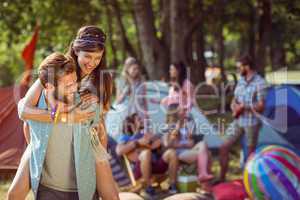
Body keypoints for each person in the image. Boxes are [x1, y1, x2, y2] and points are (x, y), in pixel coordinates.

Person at [7, 26, 119, 200]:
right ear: (76, 50)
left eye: (98, 57)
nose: (92, 62)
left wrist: (100, 157)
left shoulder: (102, 80)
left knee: (110, 194)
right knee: (15, 193)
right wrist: (67, 117)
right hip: (45, 137)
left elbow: (100, 123)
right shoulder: (57, 70)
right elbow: (23, 110)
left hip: (87, 138)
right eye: (87, 56)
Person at [219, 54, 267, 181]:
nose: (238, 70)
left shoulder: (260, 82)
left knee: (250, 156)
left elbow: (261, 106)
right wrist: (233, 105)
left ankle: (249, 183)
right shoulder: (240, 81)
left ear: (247, 66)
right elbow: (235, 99)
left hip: (252, 123)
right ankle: (221, 179)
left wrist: (244, 107)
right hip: (238, 120)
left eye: (239, 67)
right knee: (223, 146)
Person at [116, 113, 178, 198]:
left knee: (171, 152)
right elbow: (119, 151)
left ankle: (172, 186)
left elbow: (162, 149)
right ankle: (148, 188)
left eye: (142, 119)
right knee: (146, 153)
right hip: (139, 169)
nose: (142, 121)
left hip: (154, 165)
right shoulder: (125, 137)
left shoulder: (148, 134)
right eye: (139, 119)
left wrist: (162, 142)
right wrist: (138, 142)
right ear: (131, 123)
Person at [163, 113, 213, 183]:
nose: (185, 120)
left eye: (187, 119)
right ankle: (204, 180)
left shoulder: (185, 129)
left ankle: (203, 174)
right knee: (208, 154)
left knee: (203, 144)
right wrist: (177, 131)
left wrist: (189, 137)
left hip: (188, 151)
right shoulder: (169, 129)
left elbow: (191, 144)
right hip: (178, 153)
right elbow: (168, 144)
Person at [161, 61, 195, 126]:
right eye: (170, 69)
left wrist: (184, 108)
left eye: (172, 69)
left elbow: (191, 101)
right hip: (171, 113)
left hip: (180, 115)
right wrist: (164, 100)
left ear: (178, 71)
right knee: (170, 133)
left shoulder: (187, 84)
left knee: (176, 134)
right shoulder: (173, 85)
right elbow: (173, 98)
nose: (170, 71)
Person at [115, 57, 148, 123]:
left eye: (137, 69)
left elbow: (144, 101)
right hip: (126, 114)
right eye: (134, 69)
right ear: (127, 69)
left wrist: (147, 116)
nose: (136, 71)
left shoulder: (141, 82)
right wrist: (126, 89)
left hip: (139, 114)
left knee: (140, 131)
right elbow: (118, 101)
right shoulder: (121, 81)